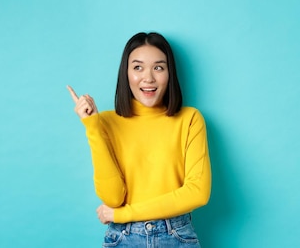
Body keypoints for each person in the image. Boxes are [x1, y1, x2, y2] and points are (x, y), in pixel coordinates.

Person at [67, 32, 211, 247]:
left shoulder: (190, 119)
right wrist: (93, 127)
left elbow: (198, 193)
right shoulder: (104, 122)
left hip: (176, 236)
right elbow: (113, 198)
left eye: (159, 67)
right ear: (126, 73)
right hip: (124, 238)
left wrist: (124, 214)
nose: (148, 78)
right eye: (138, 67)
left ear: (170, 73)